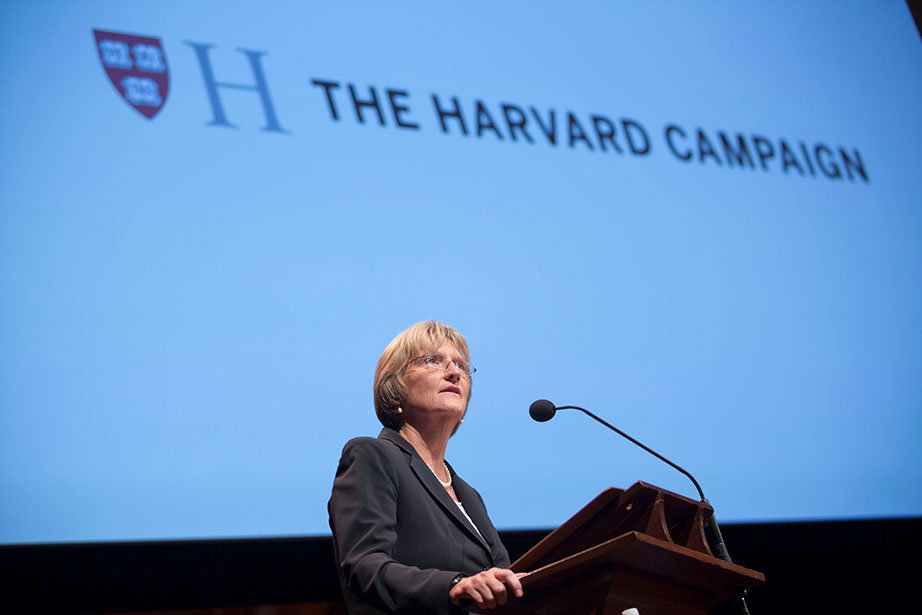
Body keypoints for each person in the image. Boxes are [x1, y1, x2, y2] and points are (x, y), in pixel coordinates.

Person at [329, 320, 523, 614]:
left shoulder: (468, 495)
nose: (454, 372)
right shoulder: (373, 456)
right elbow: (365, 565)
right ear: (395, 386)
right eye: (433, 361)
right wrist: (453, 586)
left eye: (461, 365)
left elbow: (500, 580)